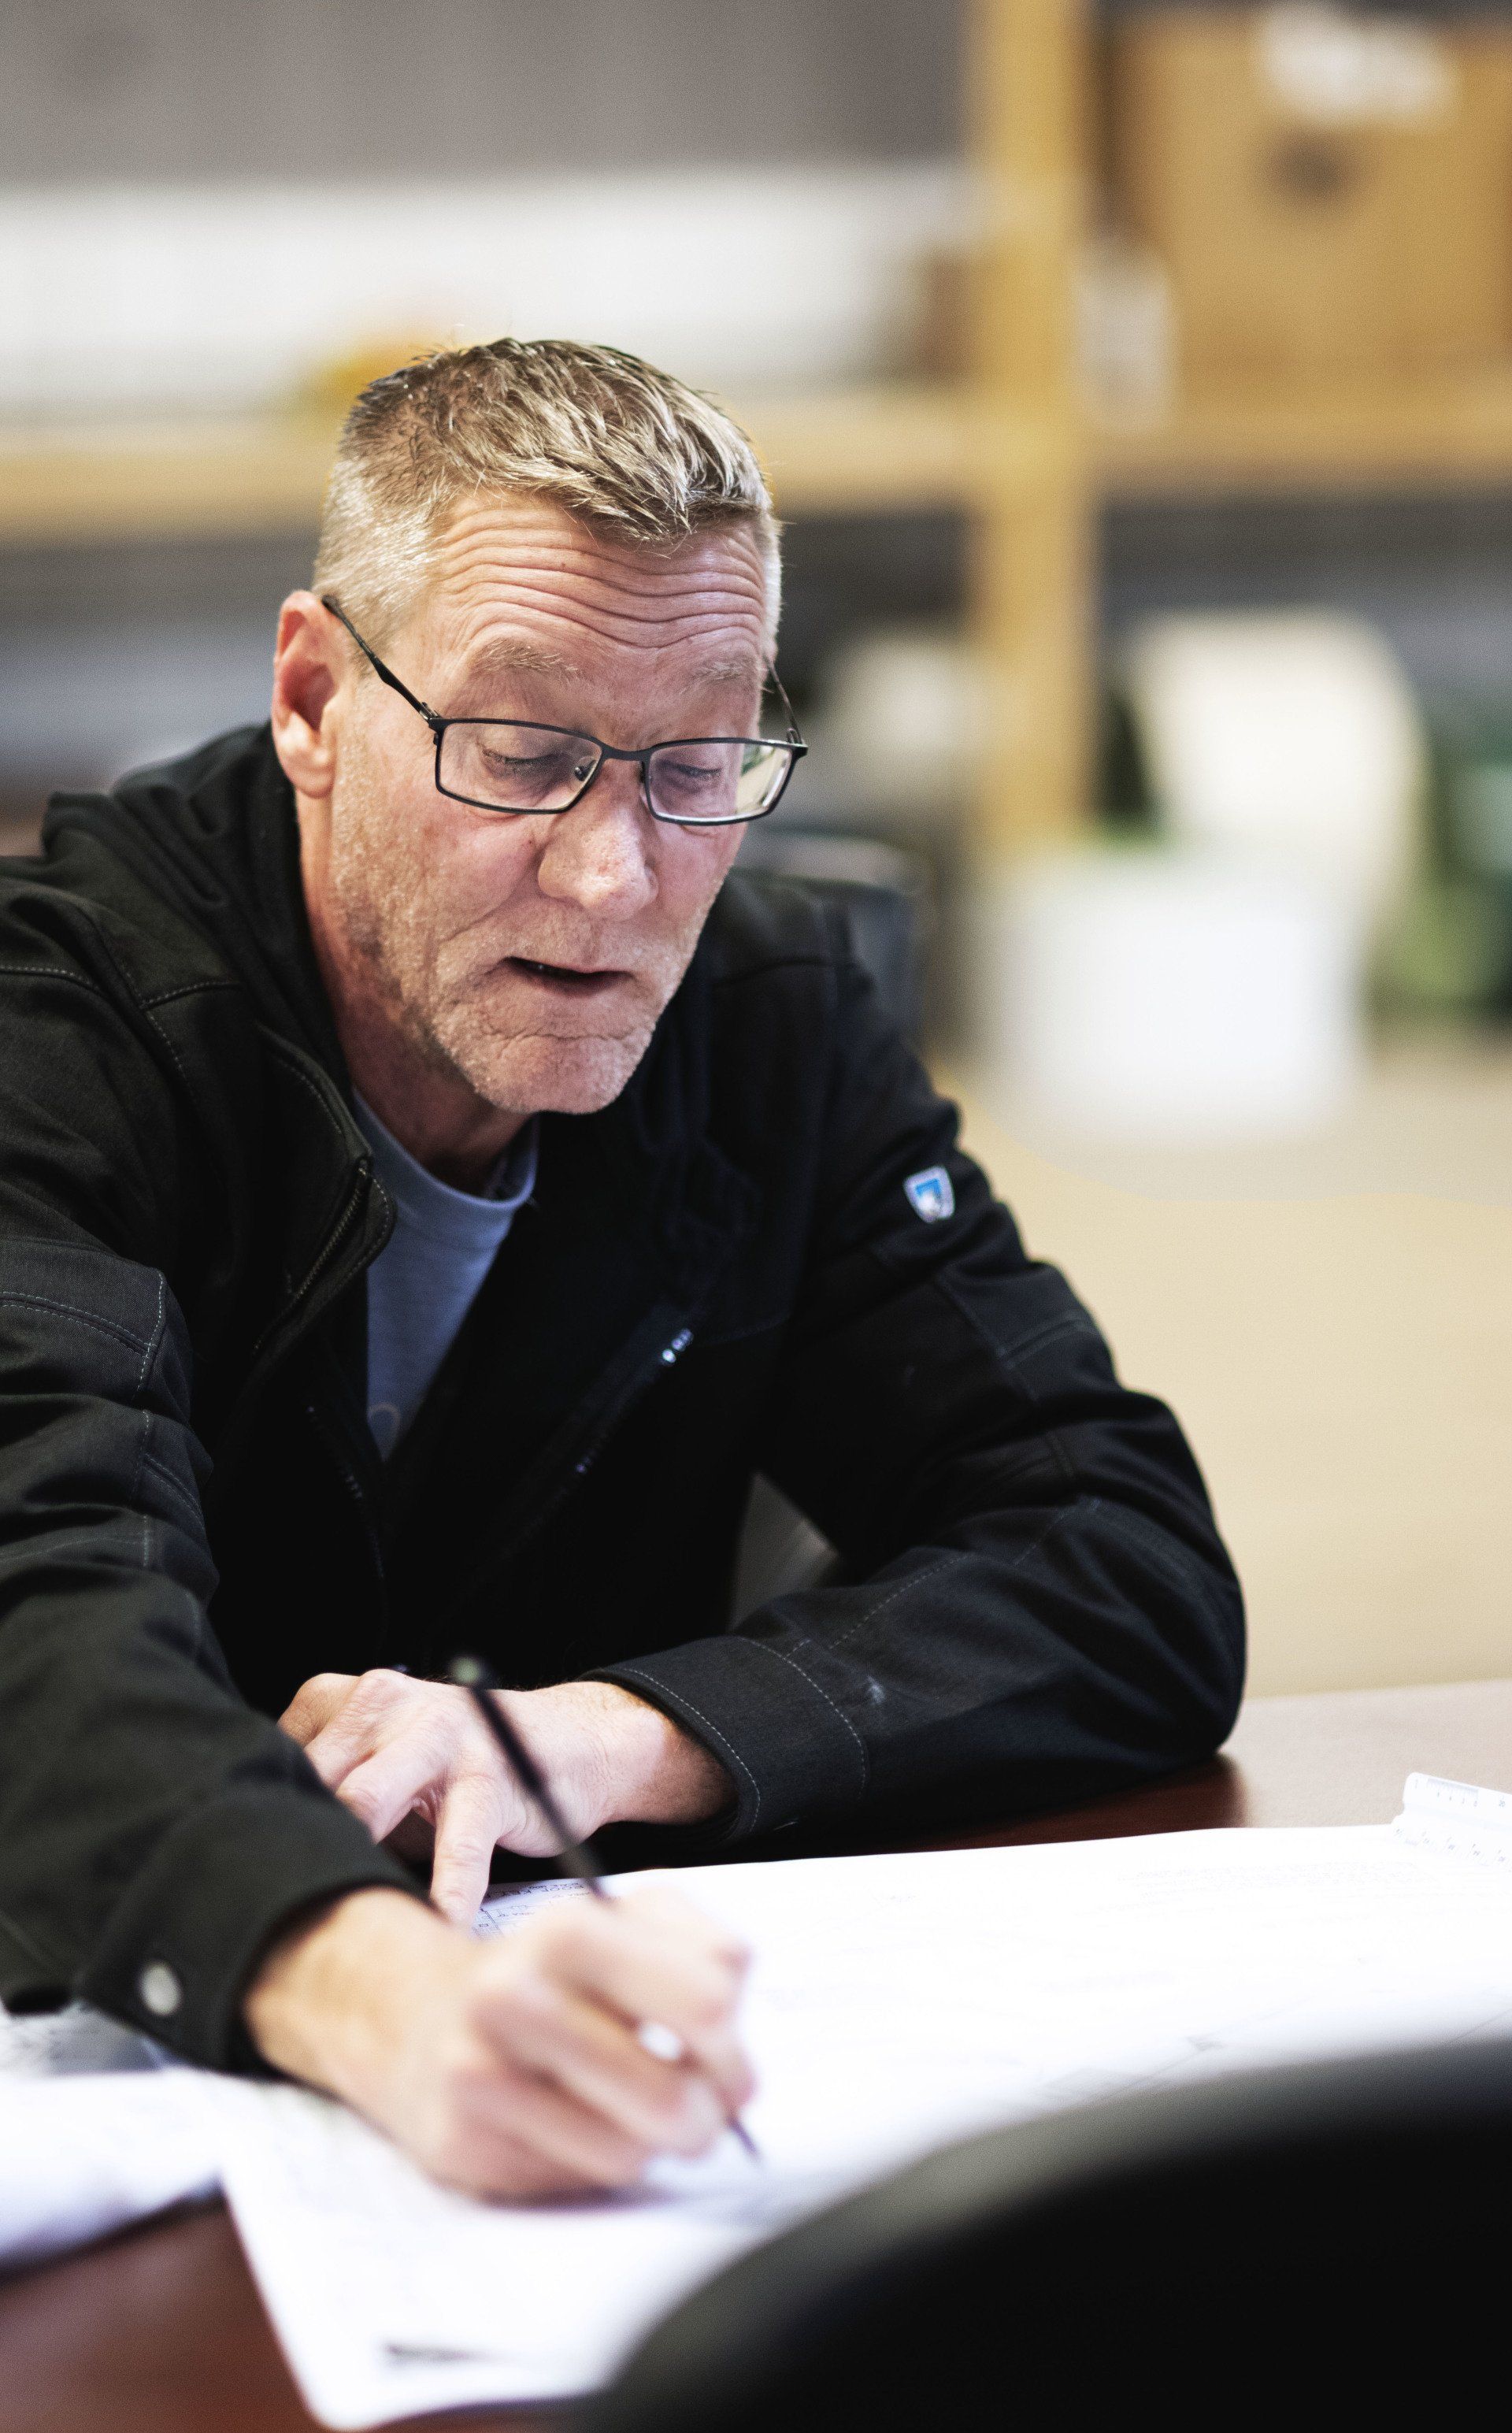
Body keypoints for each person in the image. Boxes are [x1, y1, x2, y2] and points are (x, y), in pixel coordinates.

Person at [0, 338, 1243, 2199]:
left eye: (696, 765)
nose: (615, 878)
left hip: (604, 2055)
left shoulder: (768, 1020)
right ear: (317, 697)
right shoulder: (68, 1033)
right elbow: (41, 1621)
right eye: (522, 755)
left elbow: (1122, 1561)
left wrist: (606, 1737)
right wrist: (380, 1995)